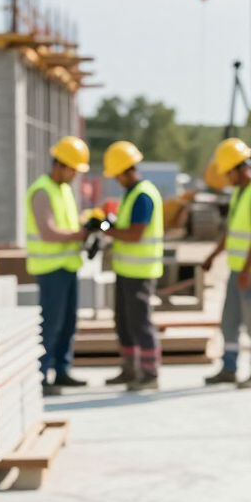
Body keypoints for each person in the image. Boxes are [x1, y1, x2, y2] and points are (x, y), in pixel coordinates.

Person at [202, 137, 251, 389]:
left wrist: (246, 271)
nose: (226, 178)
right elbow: (231, 231)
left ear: (239, 167)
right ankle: (229, 367)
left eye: (228, 173)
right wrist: (212, 256)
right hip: (239, 269)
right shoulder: (240, 192)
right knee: (230, 320)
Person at [25, 136, 90, 396]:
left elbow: (69, 224)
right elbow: (48, 232)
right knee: (50, 324)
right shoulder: (42, 190)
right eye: (73, 169)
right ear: (61, 165)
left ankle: (61, 370)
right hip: (50, 269)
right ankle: (41, 374)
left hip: (67, 266)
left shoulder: (63, 190)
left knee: (67, 324)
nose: (75, 175)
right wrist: (80, 234)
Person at [102, 141, 164, 391]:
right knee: (124, 321)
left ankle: (149, 373)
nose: (116, 179)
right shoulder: (131, 194)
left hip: (140, 271)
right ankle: (130, 369)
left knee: (140, 323)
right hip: (127, 269)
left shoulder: (143, 195)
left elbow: (135, 233)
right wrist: (109, 225)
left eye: (117, 174)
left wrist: (109, 230)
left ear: (127, 170)